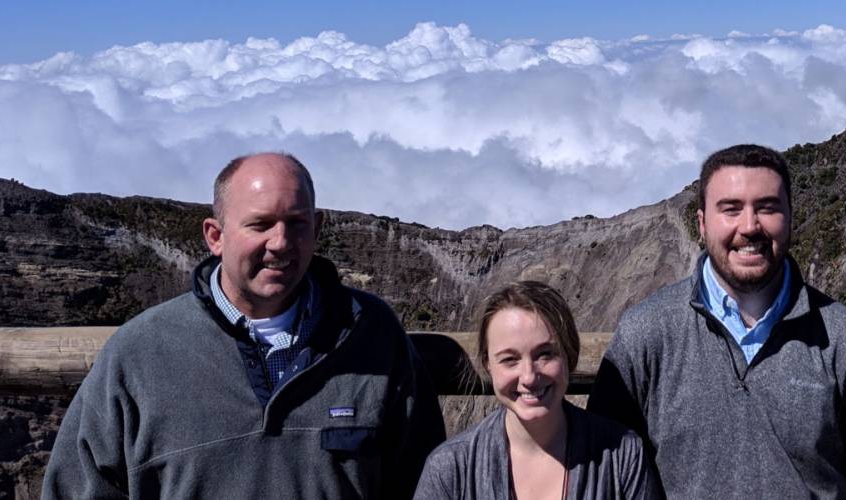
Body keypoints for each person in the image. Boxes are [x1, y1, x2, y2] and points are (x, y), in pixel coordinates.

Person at [42, 152, 445, 499]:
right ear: (215, 236)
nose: (280, 242)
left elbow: (424, 483)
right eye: (260, 224)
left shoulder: (372, 335)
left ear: (318, 228)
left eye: (297, 223)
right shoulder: (139, 354)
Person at [587, 144, 846, 498]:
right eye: (731, 209)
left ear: (790, 217)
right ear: (702, 223)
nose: (750, 226)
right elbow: (609, 463)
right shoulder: (646, 333)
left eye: (767, 208)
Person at [415, 281, 661, 499]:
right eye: (510, 359)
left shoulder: (622, 456)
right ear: (488, 364)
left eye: (545, 354)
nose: (529, 377)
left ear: (569, 355)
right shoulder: (450, 469)